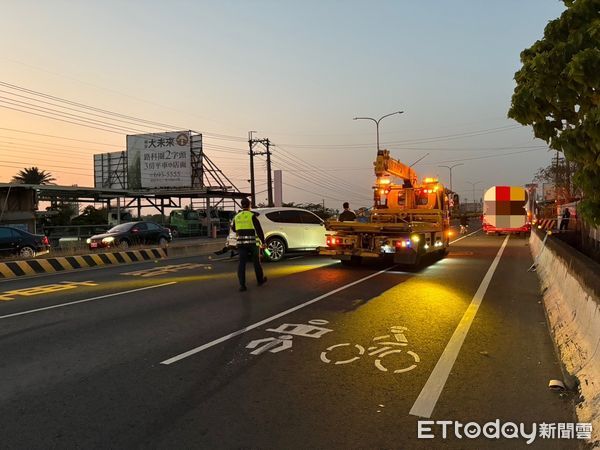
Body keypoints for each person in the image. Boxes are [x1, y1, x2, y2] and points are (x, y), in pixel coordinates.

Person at [231, 198, 267, 291]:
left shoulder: (237, 216)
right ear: (249, 205)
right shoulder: (252, 216)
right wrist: (263, 242)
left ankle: (242, 285)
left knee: (241, 264)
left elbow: (234, 229)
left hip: (241, 244)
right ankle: (260, 280)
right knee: (256, 262)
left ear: (241, 205)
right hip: (253, 244)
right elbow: (259, 230)